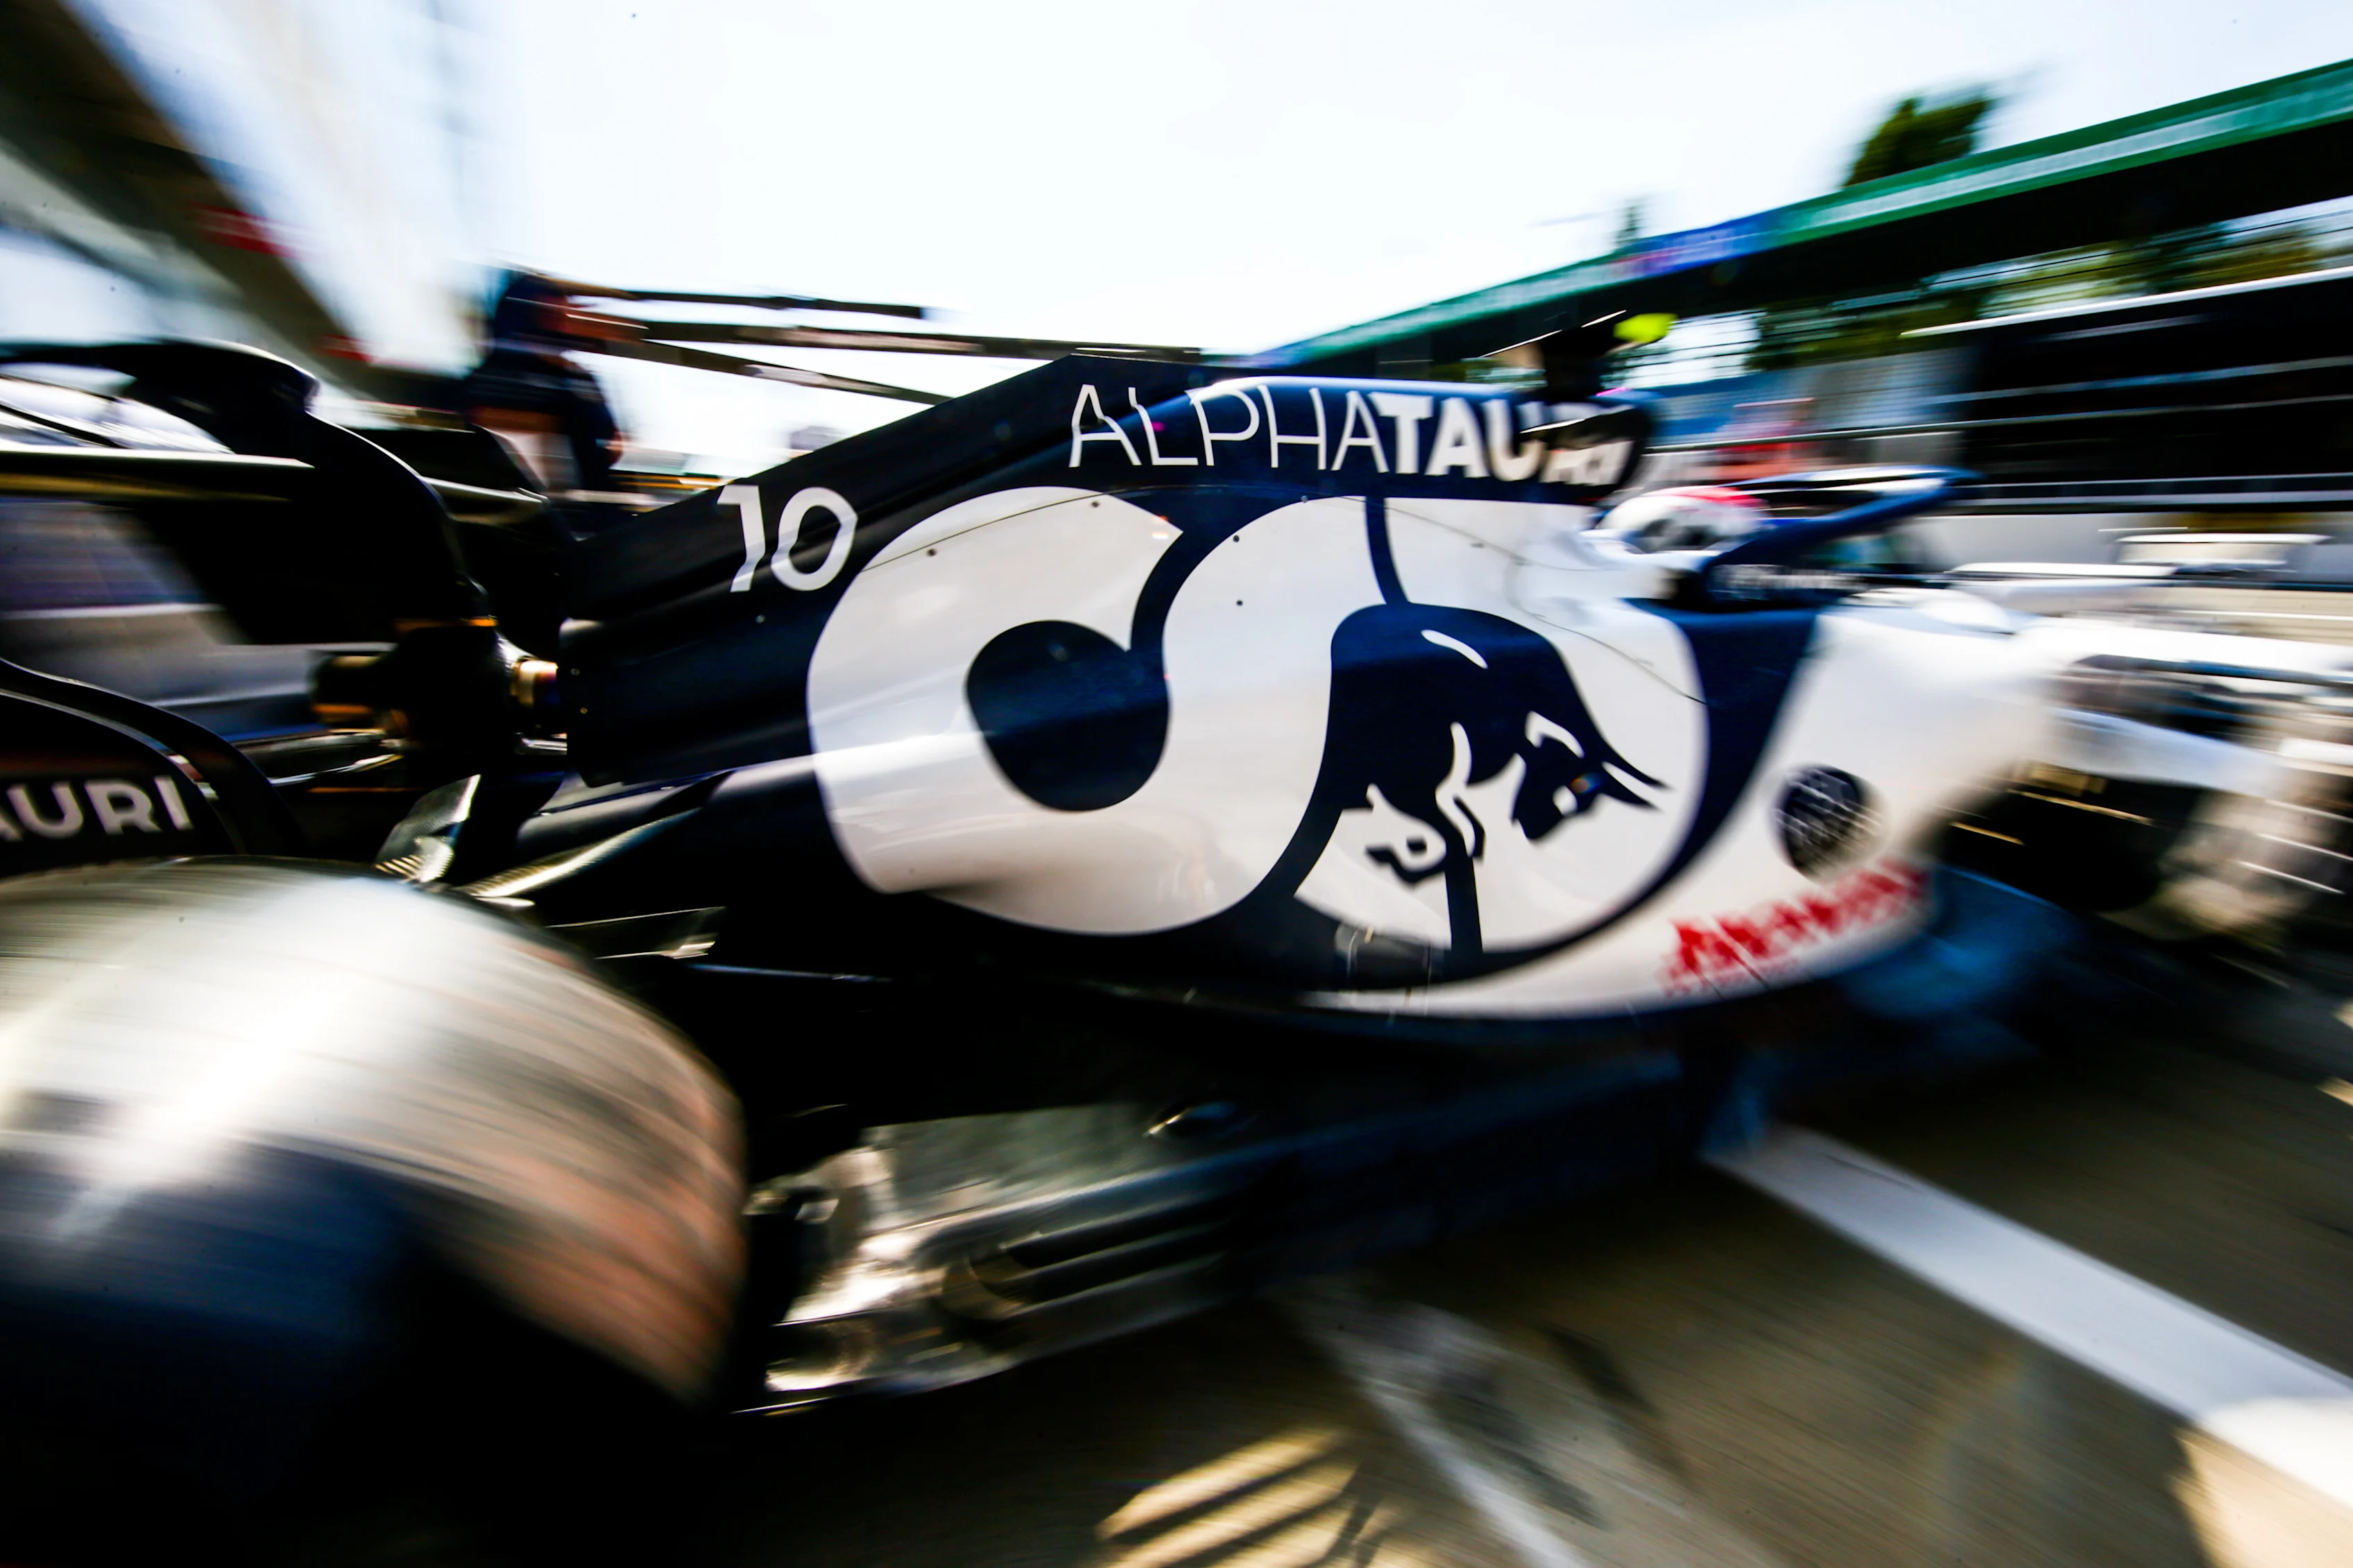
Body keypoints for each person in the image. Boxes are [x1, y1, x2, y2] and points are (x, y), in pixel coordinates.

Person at [454, 272, 624, 496]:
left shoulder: (579, 378)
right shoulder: (489, 381)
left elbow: (614, 444)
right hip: (523, 505)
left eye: (564, 319)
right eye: (551, 318)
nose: (562, 330)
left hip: (589, 503)